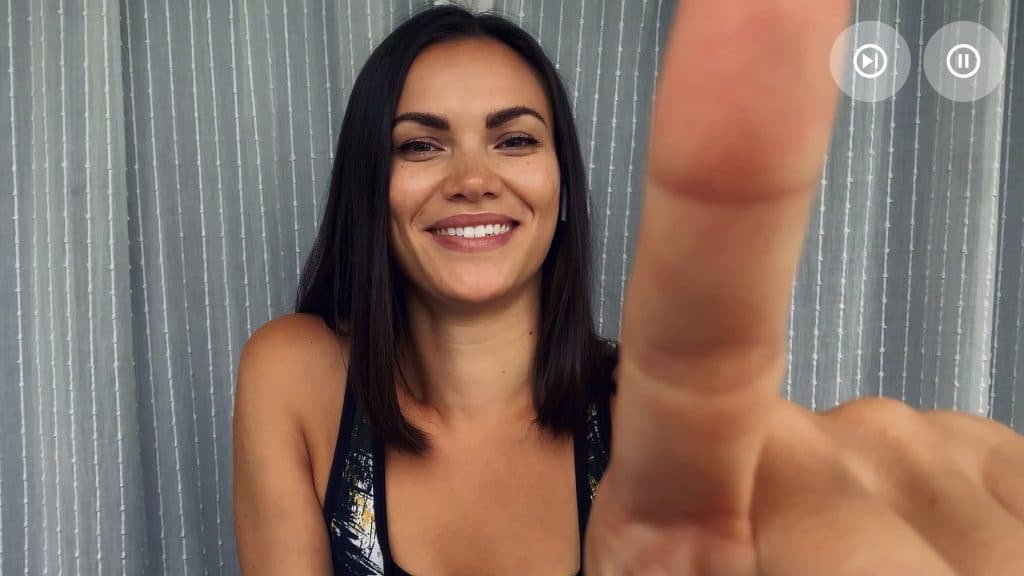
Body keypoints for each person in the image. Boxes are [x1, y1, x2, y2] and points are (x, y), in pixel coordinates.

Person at [233, 2, 1024, 575]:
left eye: (514, 140)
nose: (473, 178)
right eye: (420, 146)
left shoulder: (643, 426)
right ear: (371, 187)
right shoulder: (296, 376)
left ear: (561, 189)